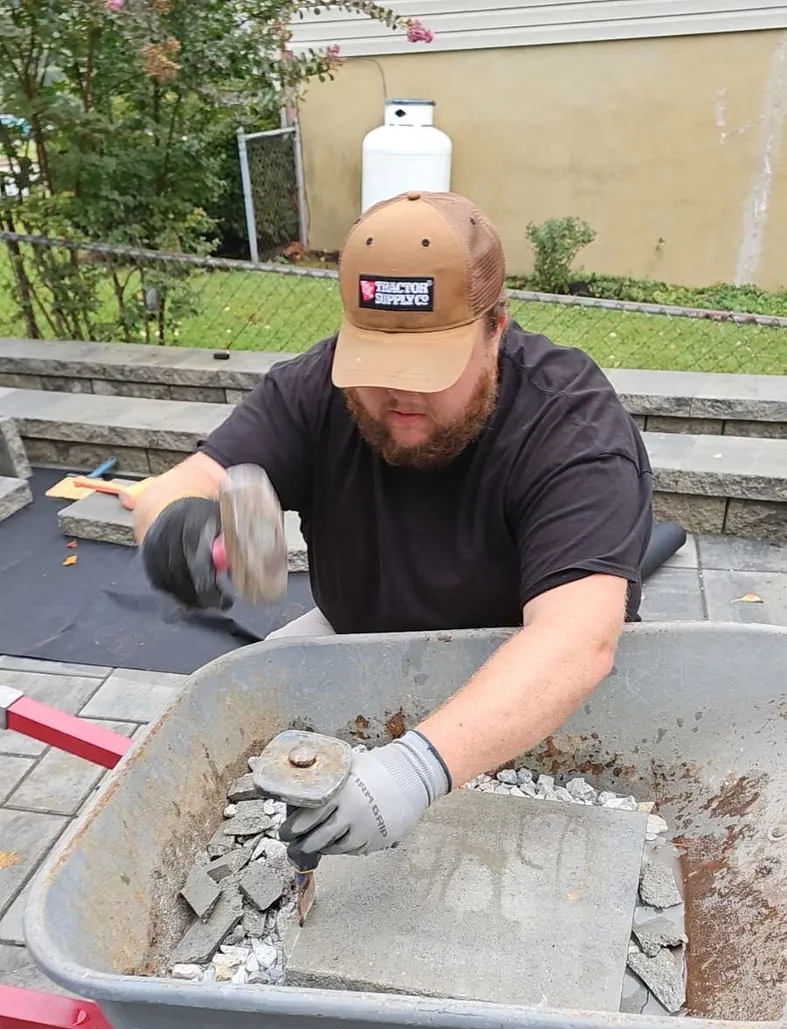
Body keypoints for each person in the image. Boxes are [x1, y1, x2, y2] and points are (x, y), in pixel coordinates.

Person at [133, 190, 653, 861]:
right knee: (241, 734)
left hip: (520, 680)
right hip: (357, 642)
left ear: (496, 328)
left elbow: (576, 641)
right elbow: (185, 482)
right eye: (377, 363)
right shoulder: (317, 386)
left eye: (428, 367)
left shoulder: (569, 425)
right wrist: (180, 527)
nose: (398, 395)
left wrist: (414, 769)